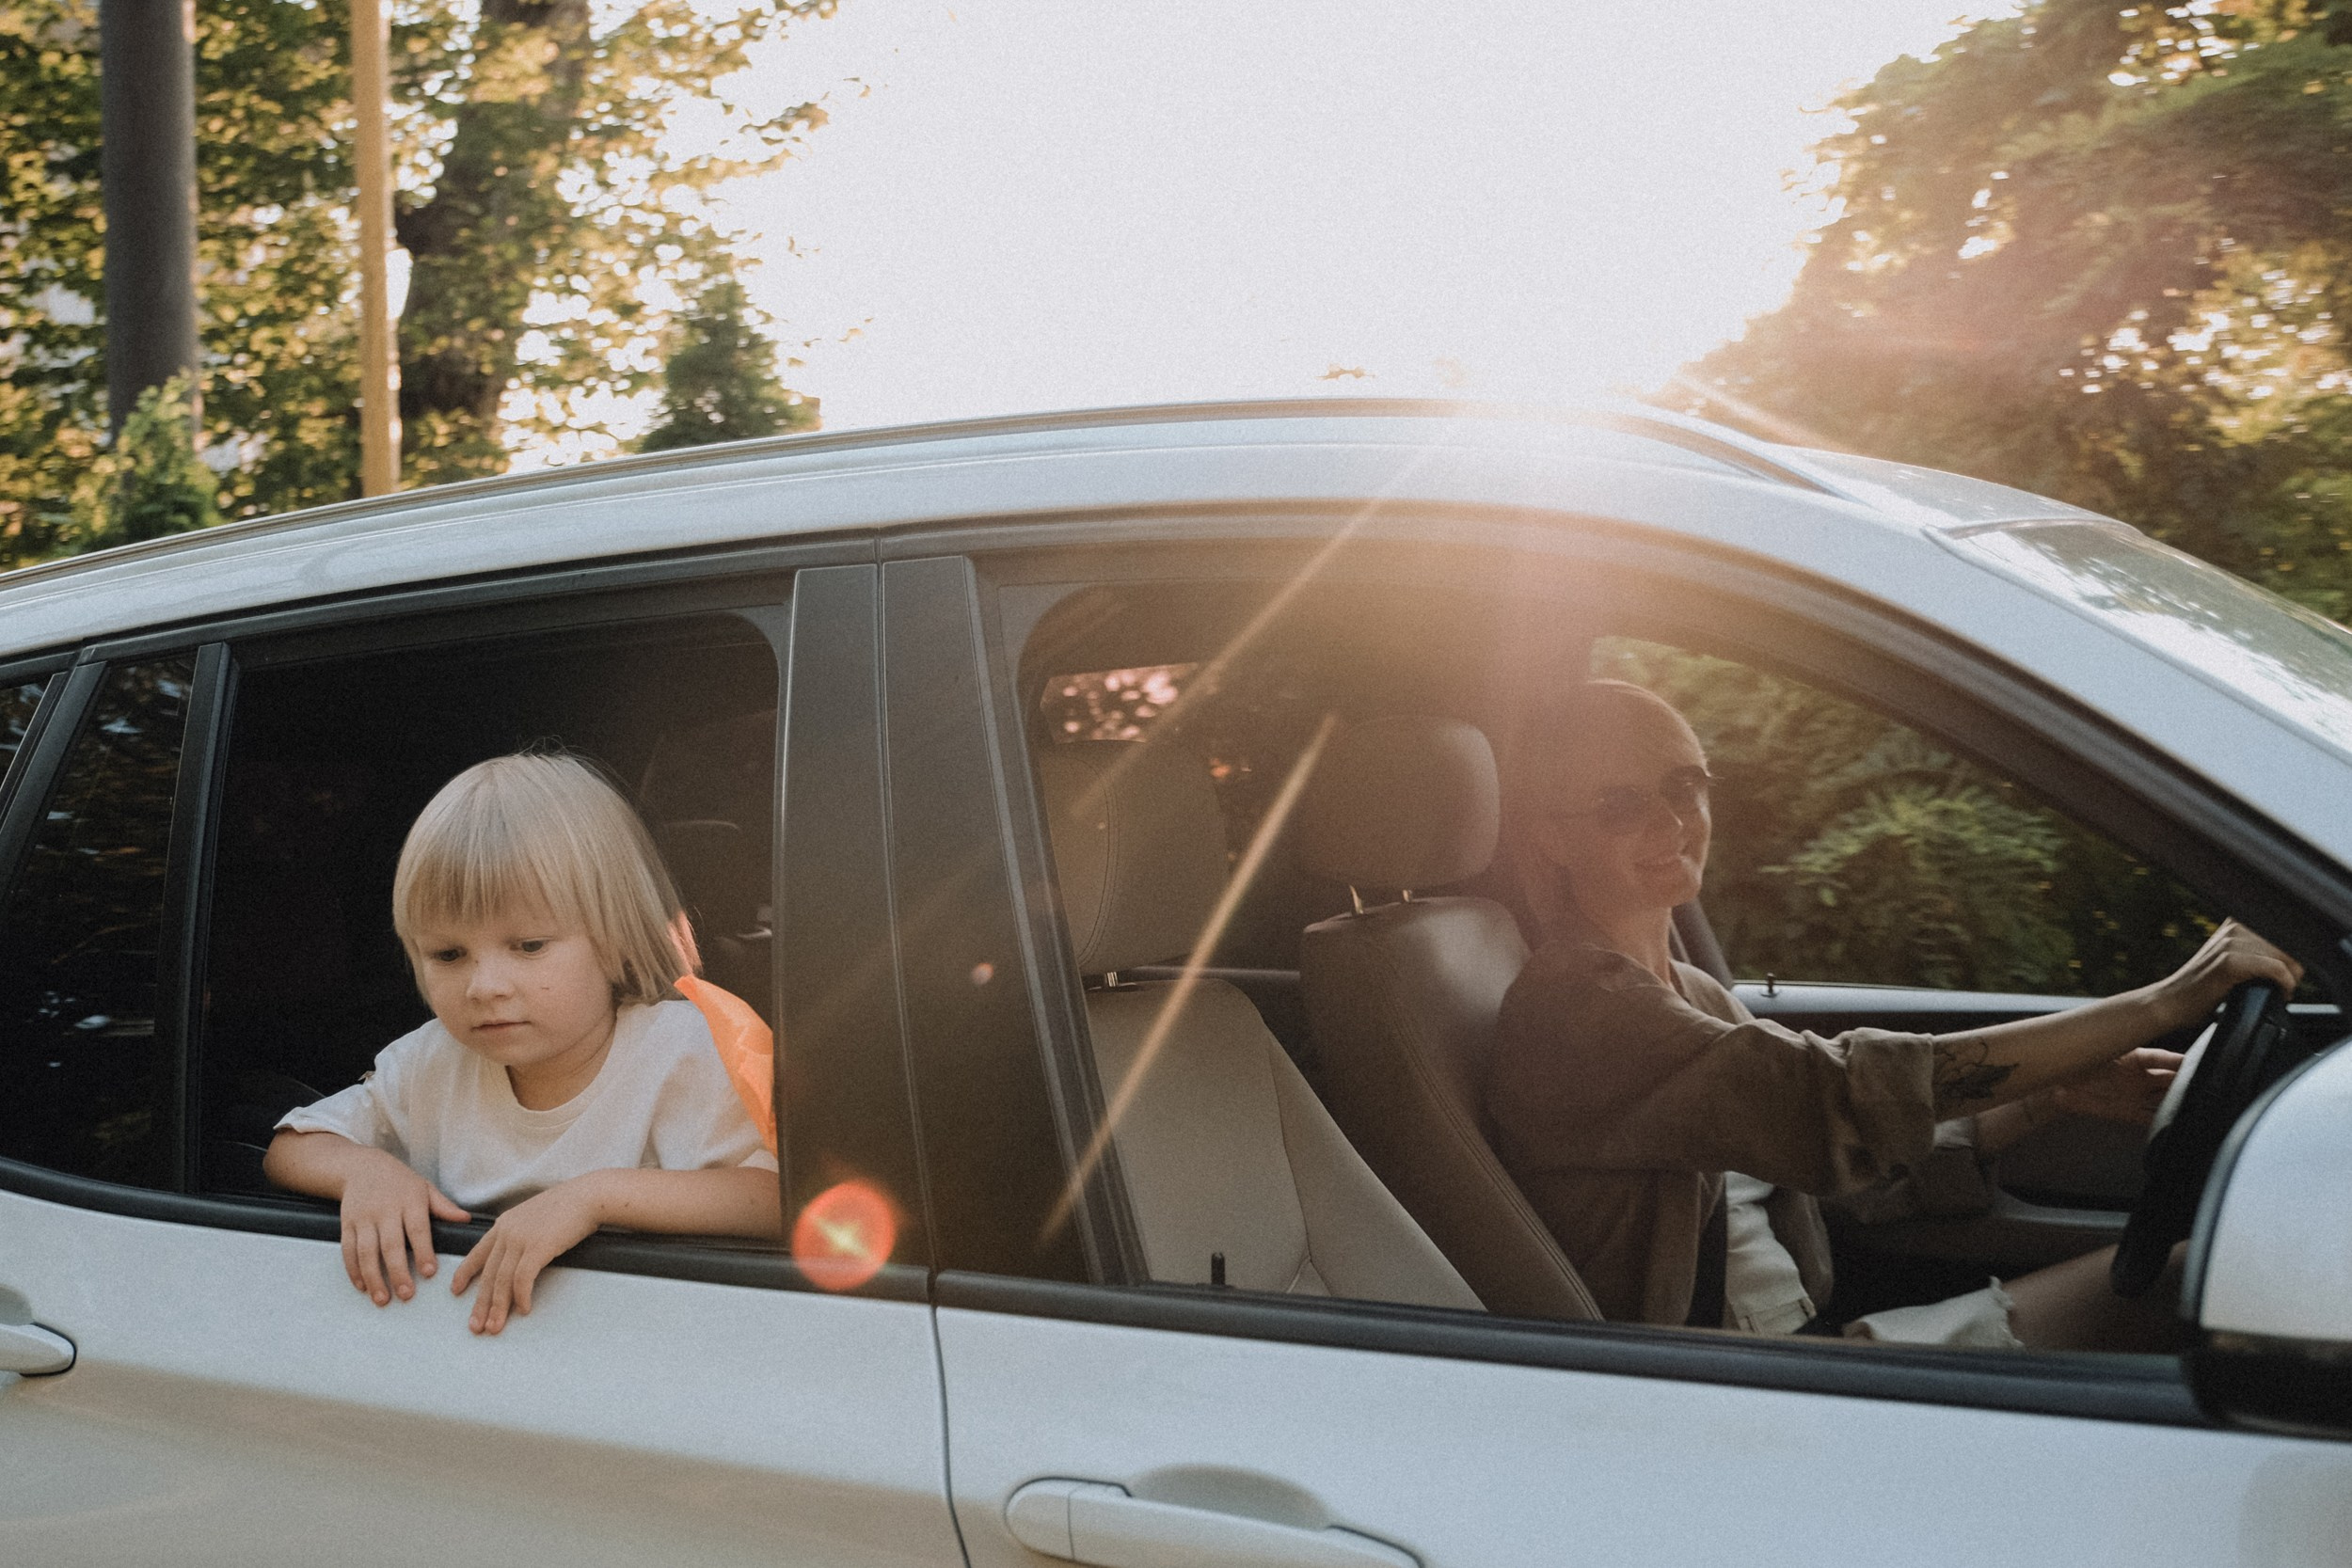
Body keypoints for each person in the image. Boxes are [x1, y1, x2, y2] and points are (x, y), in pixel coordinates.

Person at [1486, 679, 2300, 1348]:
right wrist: (2161, 1001)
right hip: (1727, 1387)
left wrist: (2050, 1096)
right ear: (1551, 840)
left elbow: (1826, 1174)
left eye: (1685, 784)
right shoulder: (1579, 1011)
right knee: (2201, 1286)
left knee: (2203, 1278)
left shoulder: (1685, 991)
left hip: (1804, 1348)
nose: (1673, 821)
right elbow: (1838, 1098)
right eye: (1621, 805)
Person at [264, 752, 782, 1335]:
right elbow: (292, 1144)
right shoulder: (432, 1062)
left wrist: (594, 1200)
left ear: (614, 939)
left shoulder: (682, 1052)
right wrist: (365, 1172)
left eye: (529, 946)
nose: (485, 987)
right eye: (449, 955)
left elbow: (776, 1198)